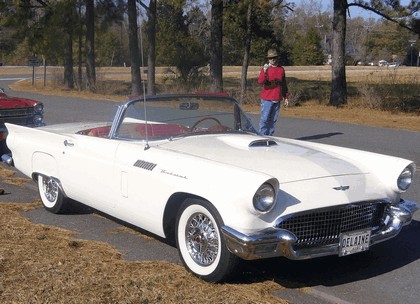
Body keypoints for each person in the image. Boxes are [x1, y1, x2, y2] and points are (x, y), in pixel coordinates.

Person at [257, 49, 289, 135]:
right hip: (267, 98)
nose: (273, 60)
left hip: (277, 98)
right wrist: (264, 71)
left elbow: (284, 84)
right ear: (268, 59)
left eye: (274, 58)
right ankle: (262, 136)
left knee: (273, 120)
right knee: (265, 119)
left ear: (277, 58)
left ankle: (270, 136)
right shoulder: (266, 69)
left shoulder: (281, 69)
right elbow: (260, 81)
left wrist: (285, 97)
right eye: (271, 58)